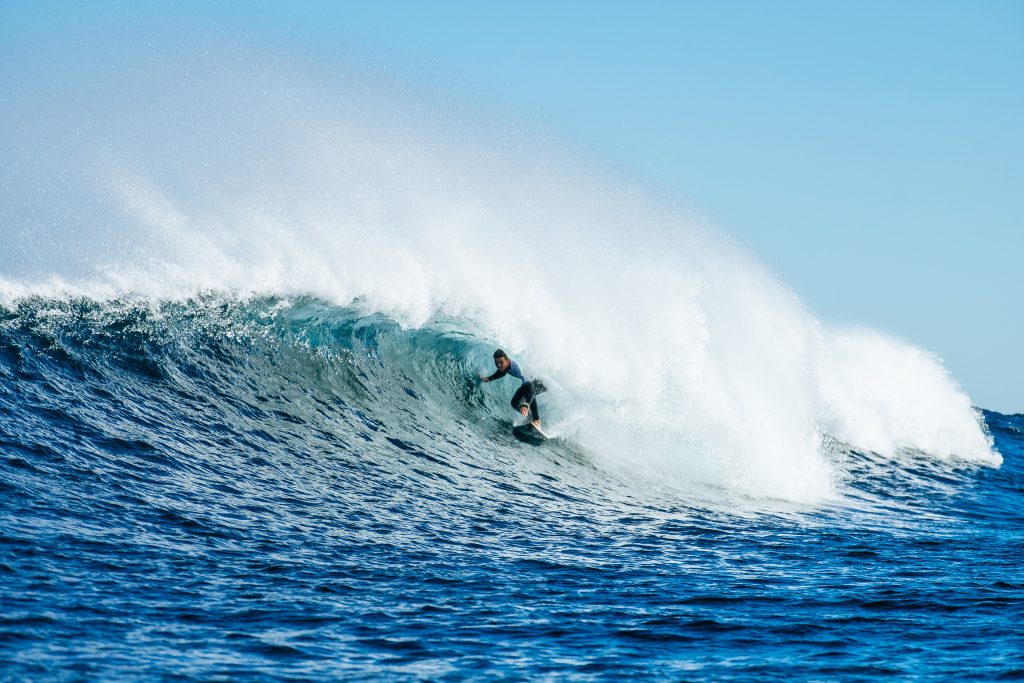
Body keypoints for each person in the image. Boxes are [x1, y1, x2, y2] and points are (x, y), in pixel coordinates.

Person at [480, 349, 546, 428]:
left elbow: (530, 387)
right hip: (531, 383)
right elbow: (501, 372)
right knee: (514, 403)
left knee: (528, 392)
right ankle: (530, 417)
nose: (498, 365)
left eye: (501, 362)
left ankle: (536, 420)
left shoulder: (517, 368)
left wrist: (526, 404)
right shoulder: (506, 366)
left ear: (507, 360)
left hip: (540, 383)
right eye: (496, 362)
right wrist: (488, 379)